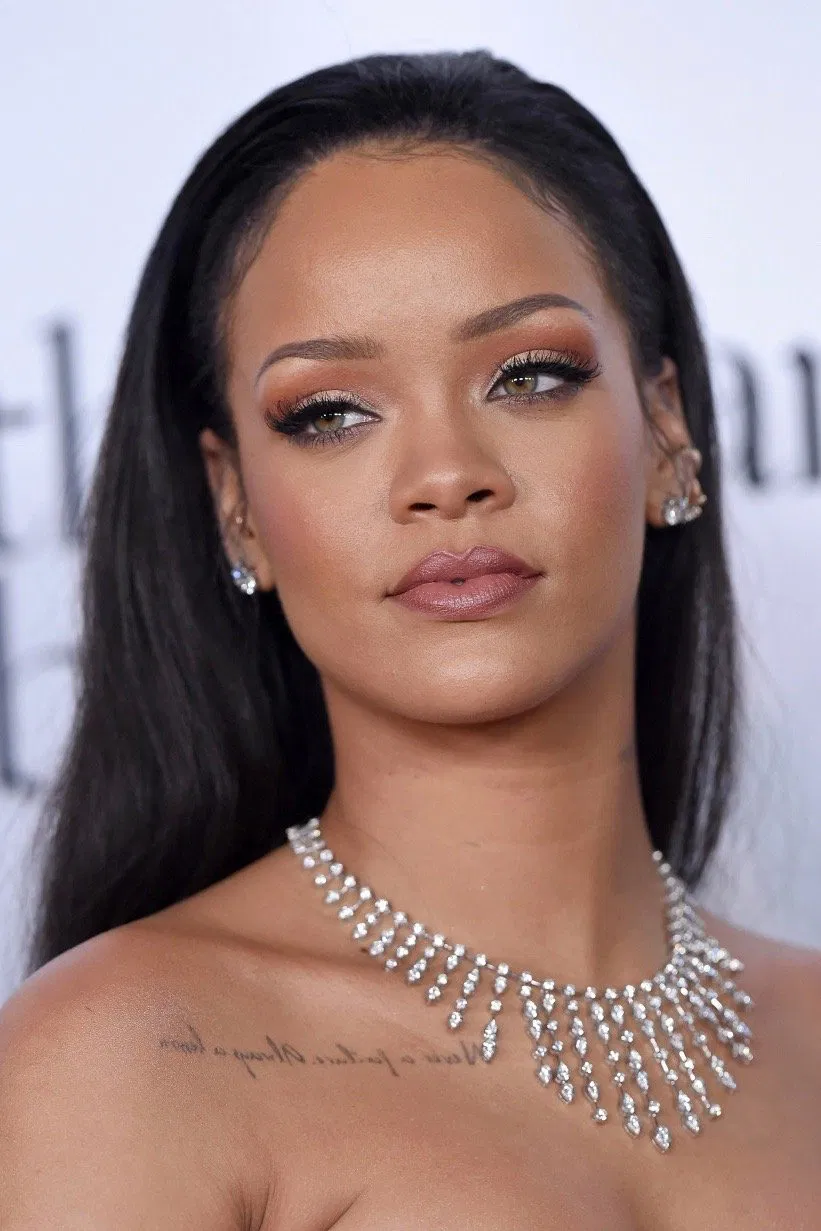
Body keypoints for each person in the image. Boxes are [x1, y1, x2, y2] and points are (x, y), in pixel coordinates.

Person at [1, 48, 819, 1230]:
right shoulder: (129, 1057)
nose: (445, 474)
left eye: (527, 376)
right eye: (329, 412)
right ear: (236, 507)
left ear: (663, 429)